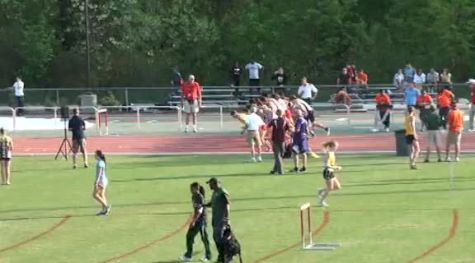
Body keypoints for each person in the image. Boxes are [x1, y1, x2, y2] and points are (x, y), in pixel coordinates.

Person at [180, 182, 212, 262]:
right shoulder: (193, 196)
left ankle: (208, 256)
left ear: (195, 189)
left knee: (203, 237)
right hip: (197, 219)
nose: (190, 190)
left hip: (201, 220)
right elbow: (196, 209)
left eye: (191, 188)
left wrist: (193, 221)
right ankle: (188, 255)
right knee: (190, 236)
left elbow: (200, 210)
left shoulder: (199, 197)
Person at [205, 177, 230, 263]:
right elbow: (212, 203)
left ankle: (226, 257)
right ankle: (222, 256)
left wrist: (227, 218)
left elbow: (227, 205)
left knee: (220, 238)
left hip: (221, 220)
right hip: (215, 219)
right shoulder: (215, 193)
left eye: (210, 184)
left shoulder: (222, 192)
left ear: (215, 183)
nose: (209, 186)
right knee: (216, 238)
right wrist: (203, 205)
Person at [317, 140, 342, 207]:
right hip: (327, 172)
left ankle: (320, 191)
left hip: (331, 172)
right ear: (332, 146)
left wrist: (335, 167)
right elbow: (326, 165)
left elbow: (331, 164)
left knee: (337, 187)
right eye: (336, 146)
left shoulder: (332, 153)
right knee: (330, 188)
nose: (337, 148)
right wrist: (336, 167)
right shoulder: (328, 154)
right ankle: (321, 201)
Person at [267, 109, 291, 175]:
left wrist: (267, 135)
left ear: (276, 113)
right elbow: (288, 129)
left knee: (278, 156)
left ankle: (280, 171)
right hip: (282, 140)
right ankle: (275, 170)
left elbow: (268, 126)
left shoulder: (274, 120)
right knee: (280, 155)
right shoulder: (285, 120)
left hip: (275, 139)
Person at [93, 150, 111, 216]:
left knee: (95, 195)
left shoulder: (100, 163)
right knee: (101, 195)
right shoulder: (101, 162)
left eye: (95, 154)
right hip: (104, 180)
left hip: (101, 181)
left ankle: (106, 206)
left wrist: (96, 182)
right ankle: (104, 210)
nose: (94, 155)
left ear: (98, 155)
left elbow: (99, 173)